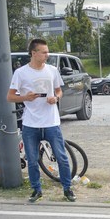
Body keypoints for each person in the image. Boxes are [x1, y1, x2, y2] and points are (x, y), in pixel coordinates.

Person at [7, 38, 76, 203]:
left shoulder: (52, 70)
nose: (47, 55)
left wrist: (56, 98)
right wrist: (25, 97)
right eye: (44, 52)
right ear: (34, 53)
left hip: (51, 122)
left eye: (47, 52)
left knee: (61, 157)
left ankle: (67, 189)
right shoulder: (21, 73)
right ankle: (36, 190)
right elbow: (10, 97)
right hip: (31, 123)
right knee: (32, 160)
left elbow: (60, 91)